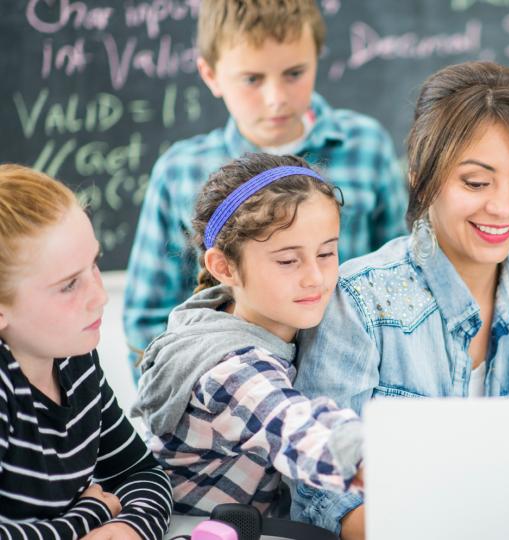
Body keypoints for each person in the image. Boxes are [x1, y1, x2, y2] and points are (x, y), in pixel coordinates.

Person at [291, 61, 509, 539]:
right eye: (475, 182)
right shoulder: (360, 300)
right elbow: (320, 490)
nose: (502, 206)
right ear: (420, 172)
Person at [123, 0, 407, 376]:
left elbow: (397, 279)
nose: (276, 97)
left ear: (317, 58)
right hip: (233, 398)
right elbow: (149, 318)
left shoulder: (365, 146)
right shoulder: (181, 171)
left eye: (294, 73)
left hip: (352, 382)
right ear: (210, 75)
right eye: (252, 79)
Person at [131, 154, 363, 516]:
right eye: (288, 261)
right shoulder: (231, 369)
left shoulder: (222, 312)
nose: (315, 277)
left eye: (326, 253)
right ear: (224, 267)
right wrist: (365, 455)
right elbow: (292, 425)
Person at [0, 164, 172, 540]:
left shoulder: (72, 355)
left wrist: (129, 526)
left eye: (94, 264)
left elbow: (138, 472)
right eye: (68, 286)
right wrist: (94, 511)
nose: (101, 295)